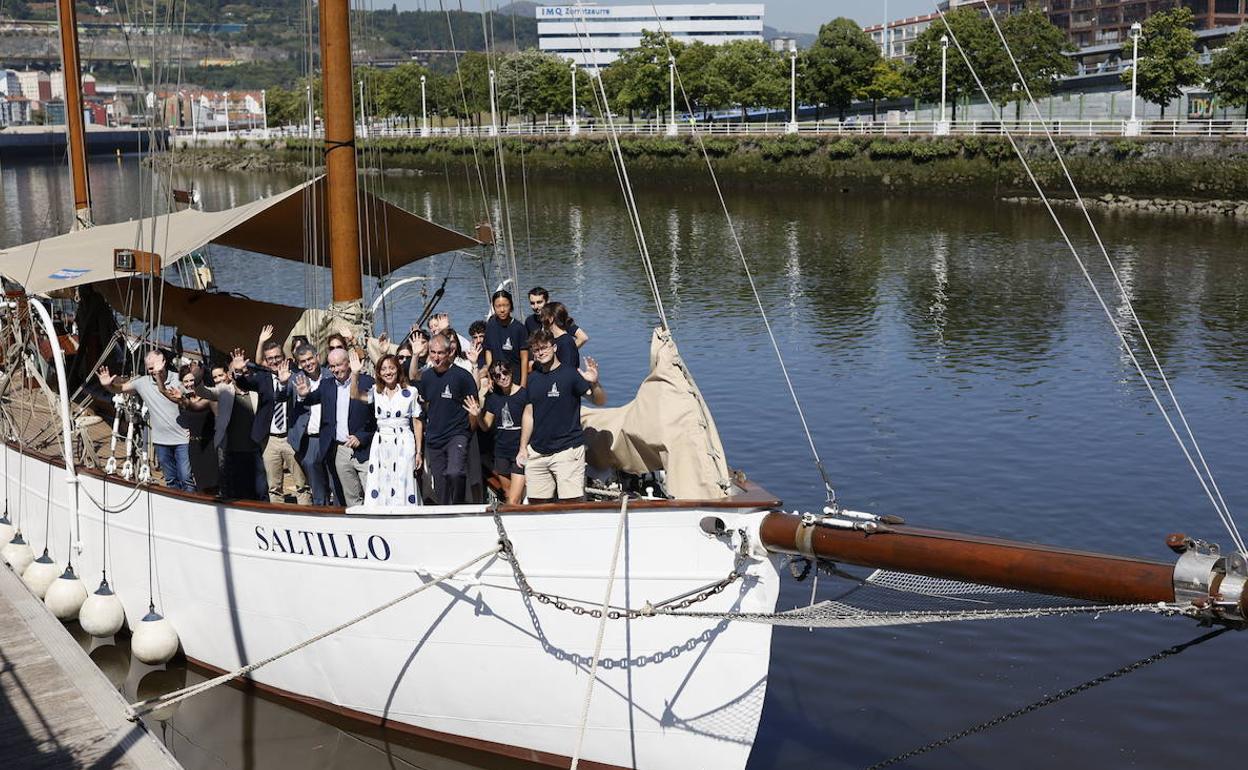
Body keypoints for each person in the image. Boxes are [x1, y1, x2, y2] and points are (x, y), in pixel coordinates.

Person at [517, 329, 606, 503]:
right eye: (536, 350)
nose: (540, 352)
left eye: (544, 348)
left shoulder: (570, 374)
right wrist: (523, 447)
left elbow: (599, 401)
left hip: (567, 451)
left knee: (571, 505)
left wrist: (595, 383)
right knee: (536, 506)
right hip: (537, 452)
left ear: (555, 347)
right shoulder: (533, 378)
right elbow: (529, 414)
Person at [96, 350, 194, 492]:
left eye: (156, 365)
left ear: (165, 362)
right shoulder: (142, 383)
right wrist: (106, 385)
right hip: (161, 441)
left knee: (186, 477)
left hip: (182, 439)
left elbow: (194, 400)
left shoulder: (179, 379)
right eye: (150, 367)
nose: (153, 369)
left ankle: (191, 507)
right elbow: (120, 388)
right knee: (171, 479)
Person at [231, 340, 311, 505]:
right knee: (274, 487)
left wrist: (285, 384)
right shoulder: (262, 377)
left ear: (284, 357)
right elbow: (245, 384)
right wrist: (238, 372)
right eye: (270, 359)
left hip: (292, 437)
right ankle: (278, 520)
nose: (274, 361)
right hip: (270, 440)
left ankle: (305, 519)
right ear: (266, 361)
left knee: (301, 485)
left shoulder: (297, 376)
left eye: (277, 357)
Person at [294, 347, 376, 507]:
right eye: (332, 366)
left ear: (349, 363)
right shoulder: (326, 385)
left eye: (339, 365)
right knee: (351, 498)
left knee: (372, 494)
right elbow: (311, 399)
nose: (336, 370)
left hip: (365, 449)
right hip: (340, 450)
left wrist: (362, 437)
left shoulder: (367, 382)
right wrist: (303, 395)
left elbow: (376, 418)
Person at [346, 351, 422, 507]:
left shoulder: (411, 392)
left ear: (398, 369)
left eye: (391, 368)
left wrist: (419, 452)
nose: (388, 372)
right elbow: (354, 394)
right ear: (379, 373)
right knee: (381, 479)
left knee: (403, 478)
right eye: (384, 369)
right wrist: (355, 374)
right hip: (381, 442)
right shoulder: (376, 392)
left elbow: (417, 422)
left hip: (404, 441)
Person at [416, 333, 479, 505]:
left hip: (457, 434)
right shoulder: (427, 377)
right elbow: (425, 406)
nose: (436, 357)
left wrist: (472, 421)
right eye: (432, 352)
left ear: (450, 351)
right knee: (441, 485)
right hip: (435, 438)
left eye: (440, 353)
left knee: (455, 472)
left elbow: (473, 411)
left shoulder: (462, 377)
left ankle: (459, 504)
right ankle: (445, 513)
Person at [465, 360, 528, 504]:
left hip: (519, 452)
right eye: (497, 376)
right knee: (507, 494)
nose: (503, 378)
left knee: (513, 499)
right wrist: (478, 414)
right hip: (501, 453)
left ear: (511, 372)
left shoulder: (524, 395)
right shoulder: (494, 399)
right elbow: (486, 425)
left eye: (505, 373)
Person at [288, 343, 334, 505]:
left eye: (310, 359)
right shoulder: (295, 379)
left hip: (330, 436)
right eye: (303, 361)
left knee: (333, 478)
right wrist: (300, 397)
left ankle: (338, 511)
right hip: (309, 438)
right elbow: (281, 396)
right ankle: (320, 509)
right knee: (315, 480)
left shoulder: (331, 375)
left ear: (317, 357)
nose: (308, 364)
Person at [484, 289, 529, 387]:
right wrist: (489, 375)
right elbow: (488, 351)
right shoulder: (490, 326)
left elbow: (524, 358)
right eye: (498, 306)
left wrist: (523, 384)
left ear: (511, 306)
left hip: (514, 378)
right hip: (496, 377)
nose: (502, 310)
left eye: (506, 305)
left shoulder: (519, 328)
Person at [538, 302, 580, 370]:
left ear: (550, 319)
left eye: (542, 317)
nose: (541, 321)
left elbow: (568, 369)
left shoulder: (566, 342)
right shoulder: (554, 339)